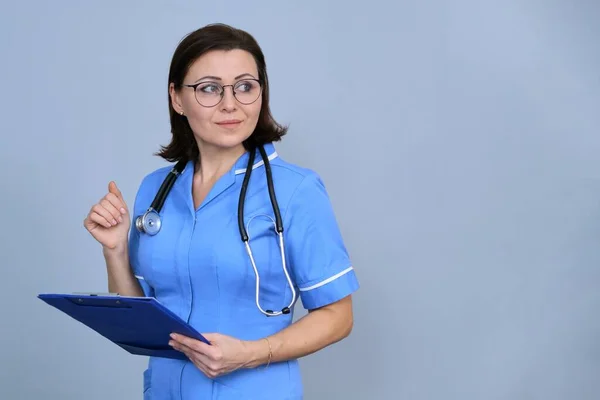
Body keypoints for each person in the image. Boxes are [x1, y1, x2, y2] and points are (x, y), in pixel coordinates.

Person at [83, 23, 359, 399]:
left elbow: (339, 316)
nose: (231, 104)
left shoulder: (295, 191)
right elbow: (140, 313)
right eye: (209, 89)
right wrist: (114, 250)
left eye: (245, 86)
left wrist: (249, 354)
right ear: (177, 98)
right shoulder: (156, 188)